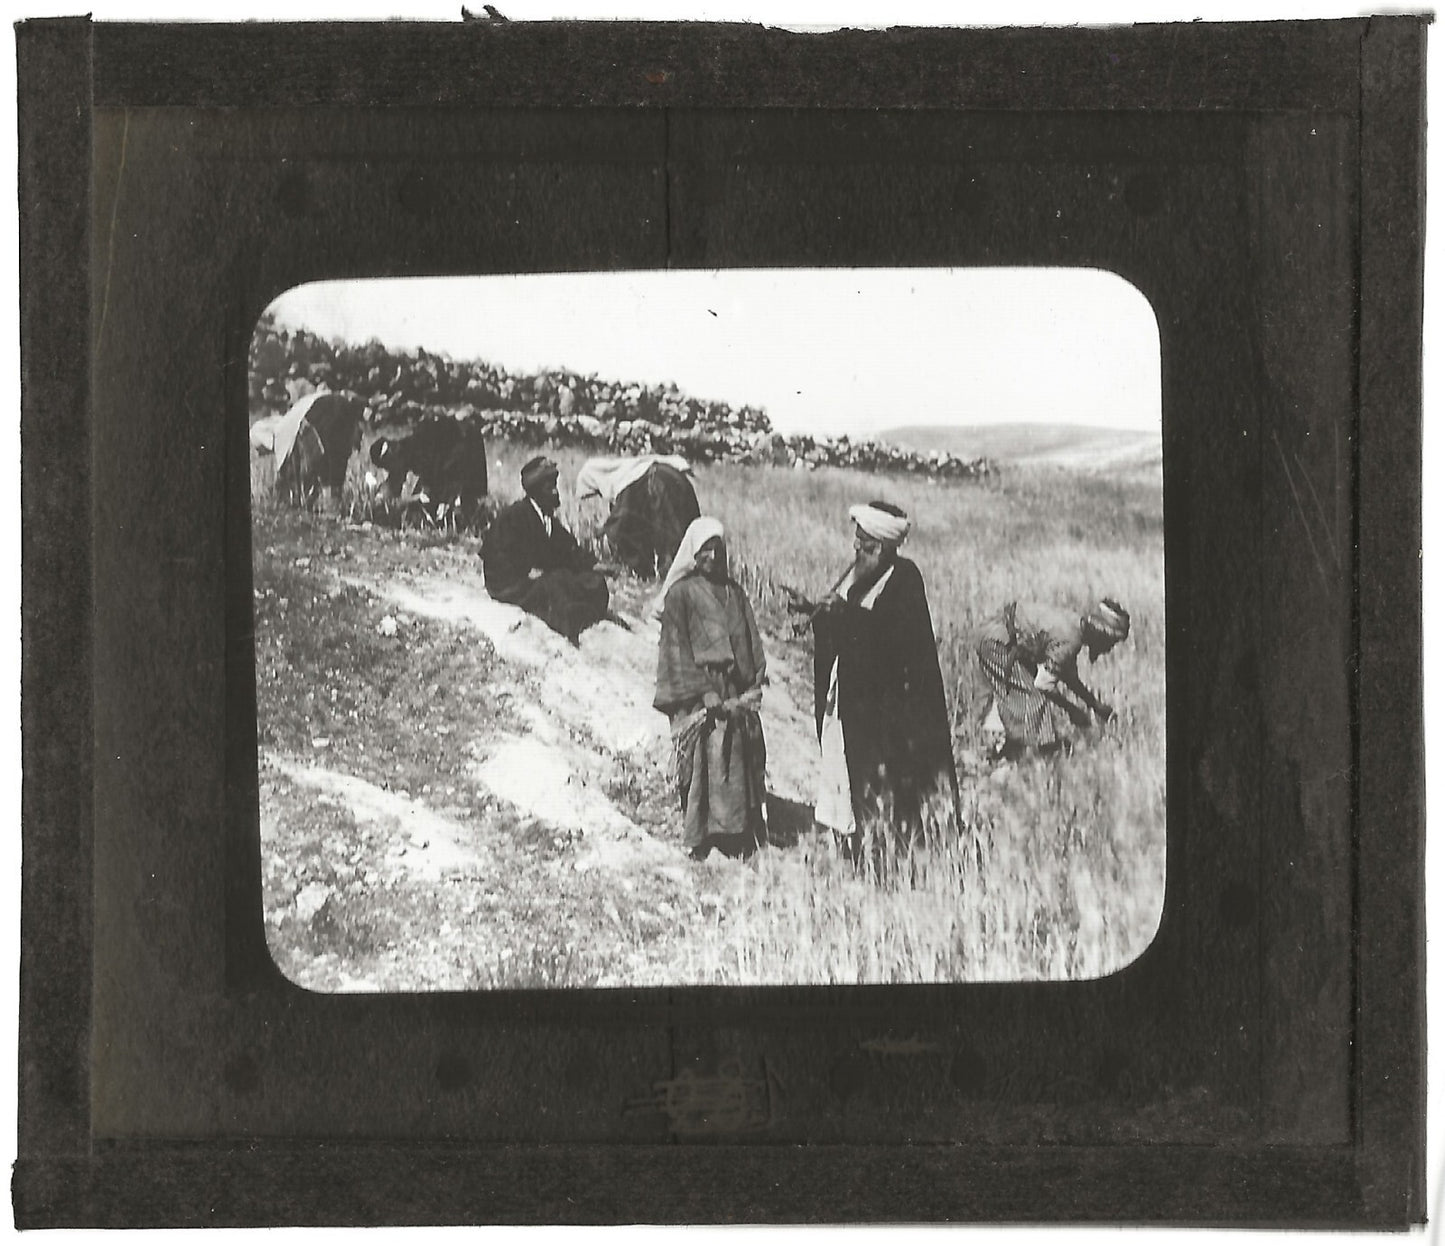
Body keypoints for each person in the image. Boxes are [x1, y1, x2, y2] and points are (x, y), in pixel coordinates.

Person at [805, 501, 960, 858]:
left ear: (888, 549)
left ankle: (895, 858)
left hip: (895, 718)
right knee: (849, 775)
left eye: (868, 547)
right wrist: (820, 615)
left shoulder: (905, 580)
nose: (859, 551)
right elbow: (851, 632)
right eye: (857, 543)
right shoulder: (859, 579)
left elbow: (892, 644)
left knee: (890, 789)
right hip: (858, 708)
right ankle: (859, 850)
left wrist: (846, 617)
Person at [652, 517, 769, 861]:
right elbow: (675, 650)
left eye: (718, 550)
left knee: (739, 761)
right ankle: (706, 836)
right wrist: (704, 692)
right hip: (701, 694)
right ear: (693, 554)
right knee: (710, 759)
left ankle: (739, 835)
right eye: (705, 550)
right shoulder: (681, 594)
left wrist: (755, 679)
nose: (713, 557)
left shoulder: (735, 592)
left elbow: (751, 638)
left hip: (734, 692)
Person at [974, 597, 1131, 759]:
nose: (1109, 649)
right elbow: (1044, 684)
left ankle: (1011, 753)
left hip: (998, 637)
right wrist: (1072, 710)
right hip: (997, 642)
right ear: (1101, 635)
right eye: (1111, 643)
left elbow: (1067, 674)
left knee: (1025, 702)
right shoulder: (1071, 639)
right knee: (1033, 701)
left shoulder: (1075, 627)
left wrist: (1094, 704)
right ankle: (1043, 755)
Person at [480, 456, 610, 644]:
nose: (556, 493)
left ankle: (578, 614)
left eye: (555, 486)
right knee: (557, 586)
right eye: (550, 488)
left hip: (534, 579)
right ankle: (570, 626)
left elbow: (569, 549)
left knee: (592, 582)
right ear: (536, 492)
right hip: (507, 583)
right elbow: (495, 555)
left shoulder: (547, 519)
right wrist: (531, 573)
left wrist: (594, 565)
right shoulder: (515, 516)